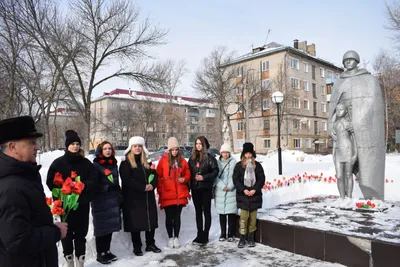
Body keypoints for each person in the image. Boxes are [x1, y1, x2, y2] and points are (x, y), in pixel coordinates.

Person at [0, 116, 68, 267]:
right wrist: (55, 232)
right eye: (31, 143)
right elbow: (18, 241)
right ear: (12, 147)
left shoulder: (24, 175)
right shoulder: (11, 187)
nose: (37, 147)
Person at [328, 50, 385, 200]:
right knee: (342, 172)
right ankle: (345, 197)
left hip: (361, 126)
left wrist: (359, 121)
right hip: (342, 129)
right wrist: (331, 125)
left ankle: (372, 193)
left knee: (364, 164)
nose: (348, 62)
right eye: (345, 60)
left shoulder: (369, 80)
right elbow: (333, 107)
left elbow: (373, 106)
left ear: (357, 61)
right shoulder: (339, 81)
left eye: (351, 59)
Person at [46, 130, 98, 267]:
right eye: (72, 144)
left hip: (82, 204)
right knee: (67, 234)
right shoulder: (58, 163)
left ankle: (80, 261)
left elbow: (94, 179)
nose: (75, 146)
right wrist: (63, 190)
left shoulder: (86, 163)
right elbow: (50, 182)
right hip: (65, 206)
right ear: (67, 146)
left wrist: (83, 186)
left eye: (77, 144)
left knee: (81, 234)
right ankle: (69, 261)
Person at [119, 136, 161, 256]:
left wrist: (152, 185)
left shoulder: (147, 162)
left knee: (150, 220)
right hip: (133, 199)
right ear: (130, 148)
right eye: (135, 146)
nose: (137, 148)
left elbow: (155, 175)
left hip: (148, 197)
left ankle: (150, 243)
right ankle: (137, 246)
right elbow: (127, 179)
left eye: (139, 146)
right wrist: (143, 186)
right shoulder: (126, 163)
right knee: (135, 222)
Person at [156, 137, 191, 249]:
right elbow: (158, 176)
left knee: (177, 217)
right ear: (169, 150)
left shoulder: (182, 161)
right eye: (173, 150)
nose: (175, 152)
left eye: (176, 149)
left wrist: (184, 179)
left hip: (179, 194)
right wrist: (162, 187)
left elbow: (188, 174)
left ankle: (176, 237)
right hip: (167, 194)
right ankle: (170, 237)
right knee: (169, 217)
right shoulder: (163, 161)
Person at [91, 141, 122, 264]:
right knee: (101, 228)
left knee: (110, 227)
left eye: (109, 148)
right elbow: (94, 184)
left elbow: (116, 181)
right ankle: (100, 253)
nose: (108, 151)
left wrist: (119, 195)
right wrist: (107, 188)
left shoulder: (114, 163)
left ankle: (107, 251)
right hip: (101, 201)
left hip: (113, 200)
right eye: (105, 149)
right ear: (101, 151)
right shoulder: (96, 165)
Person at [233, 142, 265, 248]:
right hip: (243, 197)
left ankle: (251, 237)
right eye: (246, 153)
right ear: (243, 154)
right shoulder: (239, 166)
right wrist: (243, 190)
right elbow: (236, 180)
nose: (248, 155)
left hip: (254, 197)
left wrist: (255, 190)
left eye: (250, 153)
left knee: (252, 219)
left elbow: (261, 179)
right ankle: (242, 237)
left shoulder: (258, 166)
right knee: (243, 218)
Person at [188, 136, 219, 246]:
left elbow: (215, 172)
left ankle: (205, 235)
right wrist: (188, 187)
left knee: (206, 212)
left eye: (200, 143)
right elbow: (189, 174)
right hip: (195, 189)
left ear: (204, 145)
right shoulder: (192, 159)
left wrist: (204, 177)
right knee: (198, 212)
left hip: (206, 189)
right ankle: (199, 233)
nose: (198, 145)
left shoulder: (210, 158)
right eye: (196, 143)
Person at [333, 103, 358, 198]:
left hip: (348, 151)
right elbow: (335, 142)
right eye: (337, 109)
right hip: (338, 153)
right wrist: (333, 154)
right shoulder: (335, 125)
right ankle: (342, 197)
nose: (339, 111)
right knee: (339, 176)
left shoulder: (349, 124)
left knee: (348, 175)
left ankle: (349, 197)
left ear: (346, 111)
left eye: (341, 109)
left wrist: (355, 154)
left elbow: (354, 140)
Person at [215, 143, 237, 242]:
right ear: (221, 153)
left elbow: (236, 176)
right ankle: (223, 233)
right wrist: (222, 186)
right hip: (220, 190)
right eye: (223, 152)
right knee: (222, 214)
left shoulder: (234, 162)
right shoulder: (217, 162)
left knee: (231, 213)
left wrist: (230, 186)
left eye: (227, 152)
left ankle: (231, 233)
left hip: (231, 191)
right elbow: (215, 176)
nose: (225, 154)